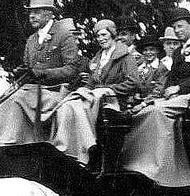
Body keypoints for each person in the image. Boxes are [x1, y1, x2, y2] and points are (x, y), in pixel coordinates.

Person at [121, 7, 190, 188]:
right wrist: (164, 92)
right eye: (175, 27)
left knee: (158, 111)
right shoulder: (179, 52)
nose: (178, 30)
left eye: (181, 26)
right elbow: (172, 76)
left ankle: (161, 168)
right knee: (146, 110)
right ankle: (140, 162)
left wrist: (178, 88)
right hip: (178, 96)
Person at [0, 0, 85, 146]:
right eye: (30, 12)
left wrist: (43, 73)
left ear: (49, 14)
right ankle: (10, 144)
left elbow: (72, 69)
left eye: (37, 12)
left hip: (56, 92)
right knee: (6, 100)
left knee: (15, 99)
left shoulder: (64, 35)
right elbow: (29, 67)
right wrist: (22, 72)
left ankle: (12, 142)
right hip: (33, 92)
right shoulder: (31, 40)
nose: (32, 16)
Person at [51, 19, 140, 165]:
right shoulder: (98, 58)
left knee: (77, 106)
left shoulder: (125, 56)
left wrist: (109, 89)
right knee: (66, 106)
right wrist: (85, 88)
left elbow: (133, 82)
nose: (101, 39)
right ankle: (68, 149)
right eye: (98, 36)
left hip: (114, 101)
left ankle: (88, 147)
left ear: (113, 35)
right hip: (95, 98)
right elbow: (92, 82)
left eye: (104, 35)